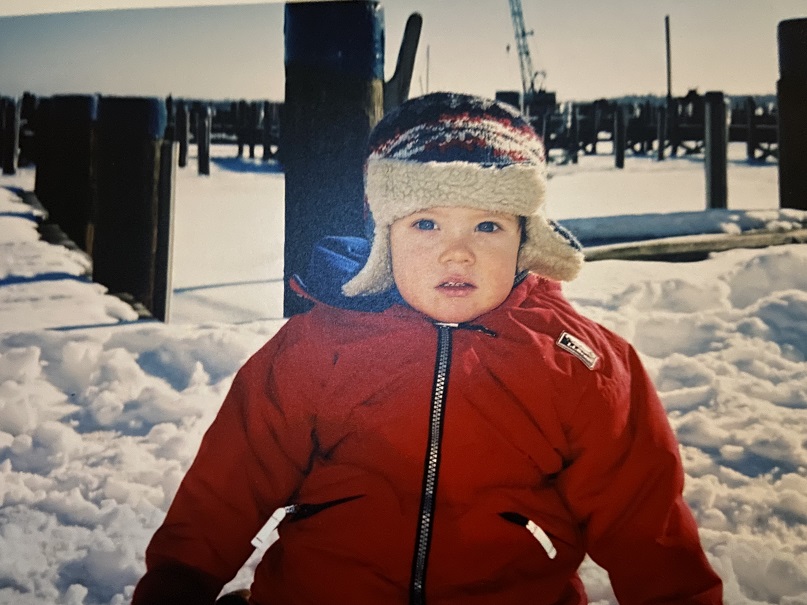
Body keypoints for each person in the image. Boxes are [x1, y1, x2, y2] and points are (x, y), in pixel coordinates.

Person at [132, 92, 723, 605]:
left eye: (487, 227)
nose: (456, 253)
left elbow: (645, 520)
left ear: (526, 239)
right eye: (426, 224)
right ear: (384, 237)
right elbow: (231, 482)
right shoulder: (318, 346)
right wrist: (180, 580)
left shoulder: (580, 364)